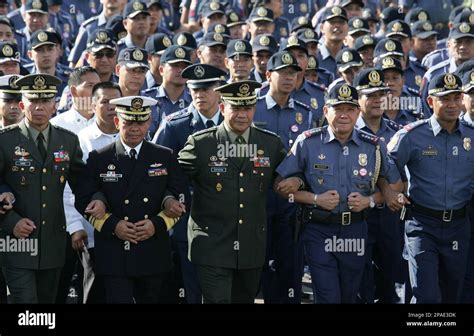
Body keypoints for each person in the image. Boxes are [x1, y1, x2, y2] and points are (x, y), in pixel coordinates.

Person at [276, 82, 402, 303]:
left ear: (357, 112)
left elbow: (396, 186)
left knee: (349, 295)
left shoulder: (373, 146)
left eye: (350, 109)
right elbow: (280, 187)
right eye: (338, 109)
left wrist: (369, 201)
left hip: (355, 229)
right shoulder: (308, 142)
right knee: (328, 296)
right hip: (318, 229)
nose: (344, 115)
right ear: (326, 111)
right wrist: (315, 199)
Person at [177, 80, 294, 304]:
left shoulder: (269, 143)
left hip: (251, 245)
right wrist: (172, 201)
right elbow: (174, 178)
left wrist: (294, 181)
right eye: (236, 108)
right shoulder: (201, 143)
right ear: (222, 108)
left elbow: (291, 171)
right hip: (212, 245)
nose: (242, 115)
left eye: (248, 108)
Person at [74, 95, 187, 303]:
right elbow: (83, 199)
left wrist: (157, 224)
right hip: (114, 252)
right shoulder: (100, 157)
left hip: (153, 250)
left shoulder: (165, 156)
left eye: (141, 122)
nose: (135, 128)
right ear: (117, 122)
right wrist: (112, 225)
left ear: (149, 123)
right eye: (128, 122)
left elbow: (180, 196)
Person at [387, 73, 474, 303]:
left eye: (457, 97)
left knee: (451, 294)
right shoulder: (411, 136)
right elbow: (385, 165)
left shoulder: (472, 137)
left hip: (458, 225)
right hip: (423, 226)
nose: (453, 104)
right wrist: (393, 191)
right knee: (425, 294)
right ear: (430, 101)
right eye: (445, 99)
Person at [0, 74, 85, 303]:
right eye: (33, 100)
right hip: (15, 243)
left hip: (53, 244)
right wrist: (11, 222)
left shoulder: (68, 141)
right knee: (25, 304)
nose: (39, 107)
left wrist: (98, 201)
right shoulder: (5, 141)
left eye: (46, 100)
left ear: (55, 105)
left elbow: (84, 184)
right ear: (21, 104)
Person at [154, 63, 227, 304]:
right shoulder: (175, 125)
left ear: (219, 90)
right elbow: (156, 170)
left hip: (227, 222)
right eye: (194, 89)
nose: (199, 94)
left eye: (206, 89)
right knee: (192, 290)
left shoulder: (233, 124)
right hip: (189, 220)